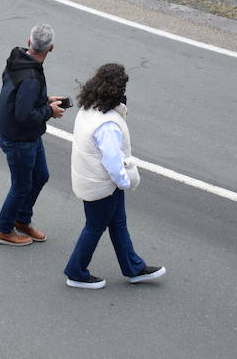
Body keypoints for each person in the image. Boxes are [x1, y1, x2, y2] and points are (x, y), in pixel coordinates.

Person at [63, 63, 166, 289]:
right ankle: (76, 272)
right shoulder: (108, 124)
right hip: (103, 185)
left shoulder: (88, 108)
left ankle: (134, 268)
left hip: (91, 179)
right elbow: (113, 162)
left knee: (118, 223)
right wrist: (125, 182)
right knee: (95, 227)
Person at [0, 24, 65, 247]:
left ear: (28, 42)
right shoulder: (32, 77)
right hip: (19, 138)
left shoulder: (18, 58)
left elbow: (20, 98)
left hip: (25, 134)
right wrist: (49, 111)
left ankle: (22, 220)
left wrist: (44, 101)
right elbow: (24, 115)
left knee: (40, 176)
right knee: (22, 185)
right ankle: (4, 229)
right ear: (50, 48)